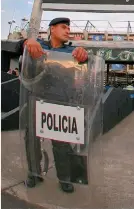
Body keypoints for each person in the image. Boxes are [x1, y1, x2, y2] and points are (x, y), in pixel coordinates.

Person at [17, 17, 88, 193]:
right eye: (63, 27)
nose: (68, 30)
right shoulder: (39, 46)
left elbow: (84, 63)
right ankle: (34, 173)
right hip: (37, 99)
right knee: (31, 139)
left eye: (68, 28)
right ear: (52, 29)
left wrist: (83, 55)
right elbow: (17, 48)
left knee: (62, 143)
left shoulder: (72, 51)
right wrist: (27, 41)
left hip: (61, 102)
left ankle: (64, 178)